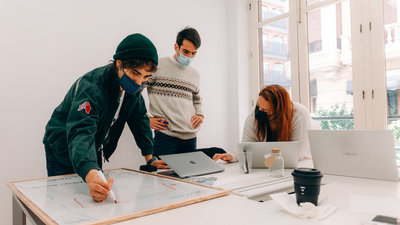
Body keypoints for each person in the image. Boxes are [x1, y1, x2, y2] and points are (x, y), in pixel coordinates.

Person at [43, 33, 168, 202]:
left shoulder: (133, 90)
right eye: (135, 73)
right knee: (64, 203)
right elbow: (81, 131)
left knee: (99, 196)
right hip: (62, 147)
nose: (139, 82)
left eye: (146, 77)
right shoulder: (91, 88)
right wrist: (91, 173)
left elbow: (139, 119)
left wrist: (149, 157)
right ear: (119, 63)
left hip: (92, 147)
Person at [213, 85, 316, 162]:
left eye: (266, 110)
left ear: (279, 110)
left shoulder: (299, 114)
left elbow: (298, 153)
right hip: (271, 165)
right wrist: (233, 156)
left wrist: (263, 157)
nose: (260, 111)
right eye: (258, 106)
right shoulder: (255, 116)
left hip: (303, 163)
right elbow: (246, 146)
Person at [146, 27, 203, 156]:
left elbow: (197, 99)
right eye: (185, 51)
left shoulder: (194, 74)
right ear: (176, 46)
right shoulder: (157, 66)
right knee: (161, 176)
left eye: (193, 53)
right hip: (166, 136)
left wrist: (200, 114)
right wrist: (146, 120)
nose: (189, 56)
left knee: (190, 175)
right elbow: (134, 94)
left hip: (190, 136)